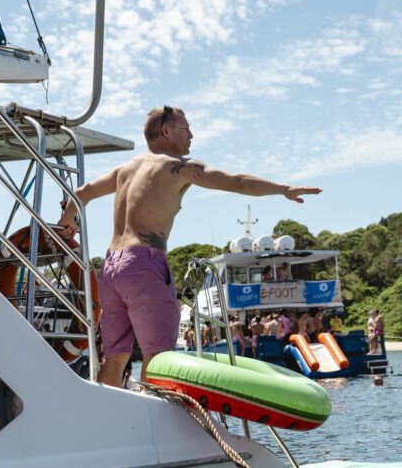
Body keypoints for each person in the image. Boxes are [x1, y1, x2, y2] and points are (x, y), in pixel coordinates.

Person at [58, 105, 321, 387]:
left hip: (111, 268)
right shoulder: (178, 167)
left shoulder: (125, 170)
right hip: (143, 266)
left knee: (115, 358)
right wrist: (283, 189)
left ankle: (107, 422)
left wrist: (67, 222)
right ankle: (150, 425)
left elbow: (82, 193)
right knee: (158, 357)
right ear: (166, 131)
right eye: (186, 129)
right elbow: (238, 183)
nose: (192, 135)